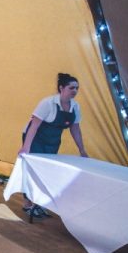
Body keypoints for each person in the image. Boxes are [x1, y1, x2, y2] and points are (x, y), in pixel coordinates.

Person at [18, 72, 88, 217]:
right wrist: (26, 147)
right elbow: (34, 126)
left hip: (53, 140)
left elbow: (75, 129)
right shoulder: (47, 103)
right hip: (35, 138)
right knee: (32, 170)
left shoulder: (75, 107)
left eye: (77, 88)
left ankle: (39, 203)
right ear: (61, 88)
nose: (75, 91)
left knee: (45, 171)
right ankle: (28, 204)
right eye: (71, 88)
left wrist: (82, 150)